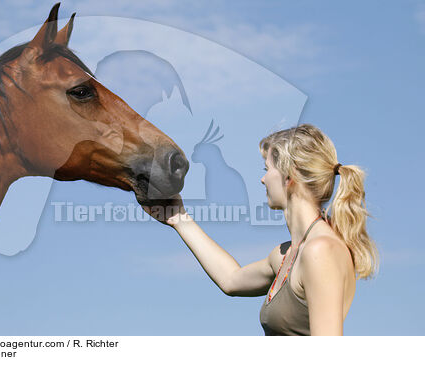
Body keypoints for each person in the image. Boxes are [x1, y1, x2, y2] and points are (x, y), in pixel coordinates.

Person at [144, 124, 378, 335]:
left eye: (267, 169)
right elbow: (231, 279)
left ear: (290, 175)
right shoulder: (286, 255)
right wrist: (178, 218)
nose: (263, 180)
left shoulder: (320, 251)